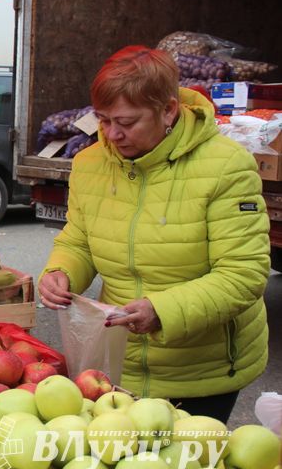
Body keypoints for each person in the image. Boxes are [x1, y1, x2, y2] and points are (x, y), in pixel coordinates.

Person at [38, 46, 270, 424]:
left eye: (127, 122)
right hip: (119, 363)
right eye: (103, 119)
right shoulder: (90, 163)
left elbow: (243, 274)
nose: (112, 134)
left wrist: (163, 311)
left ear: (168, 111)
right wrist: (61, 272)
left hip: (201, 373)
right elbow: (79, 238)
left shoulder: (227, 166)